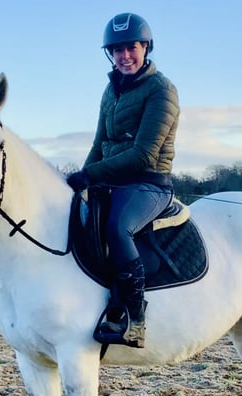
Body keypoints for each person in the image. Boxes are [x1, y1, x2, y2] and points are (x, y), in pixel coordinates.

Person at [67, 13, 180, 349]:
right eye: (116, 50)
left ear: (145, 47)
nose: (124, 56)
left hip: (149, 183)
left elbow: (144, 154)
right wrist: (78, 182)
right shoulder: (110, 88)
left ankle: (135, 315)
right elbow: (99, 143)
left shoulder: (162, 90)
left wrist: (91, 174)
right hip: (112, 180)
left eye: (131, 47)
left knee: (118, 226)